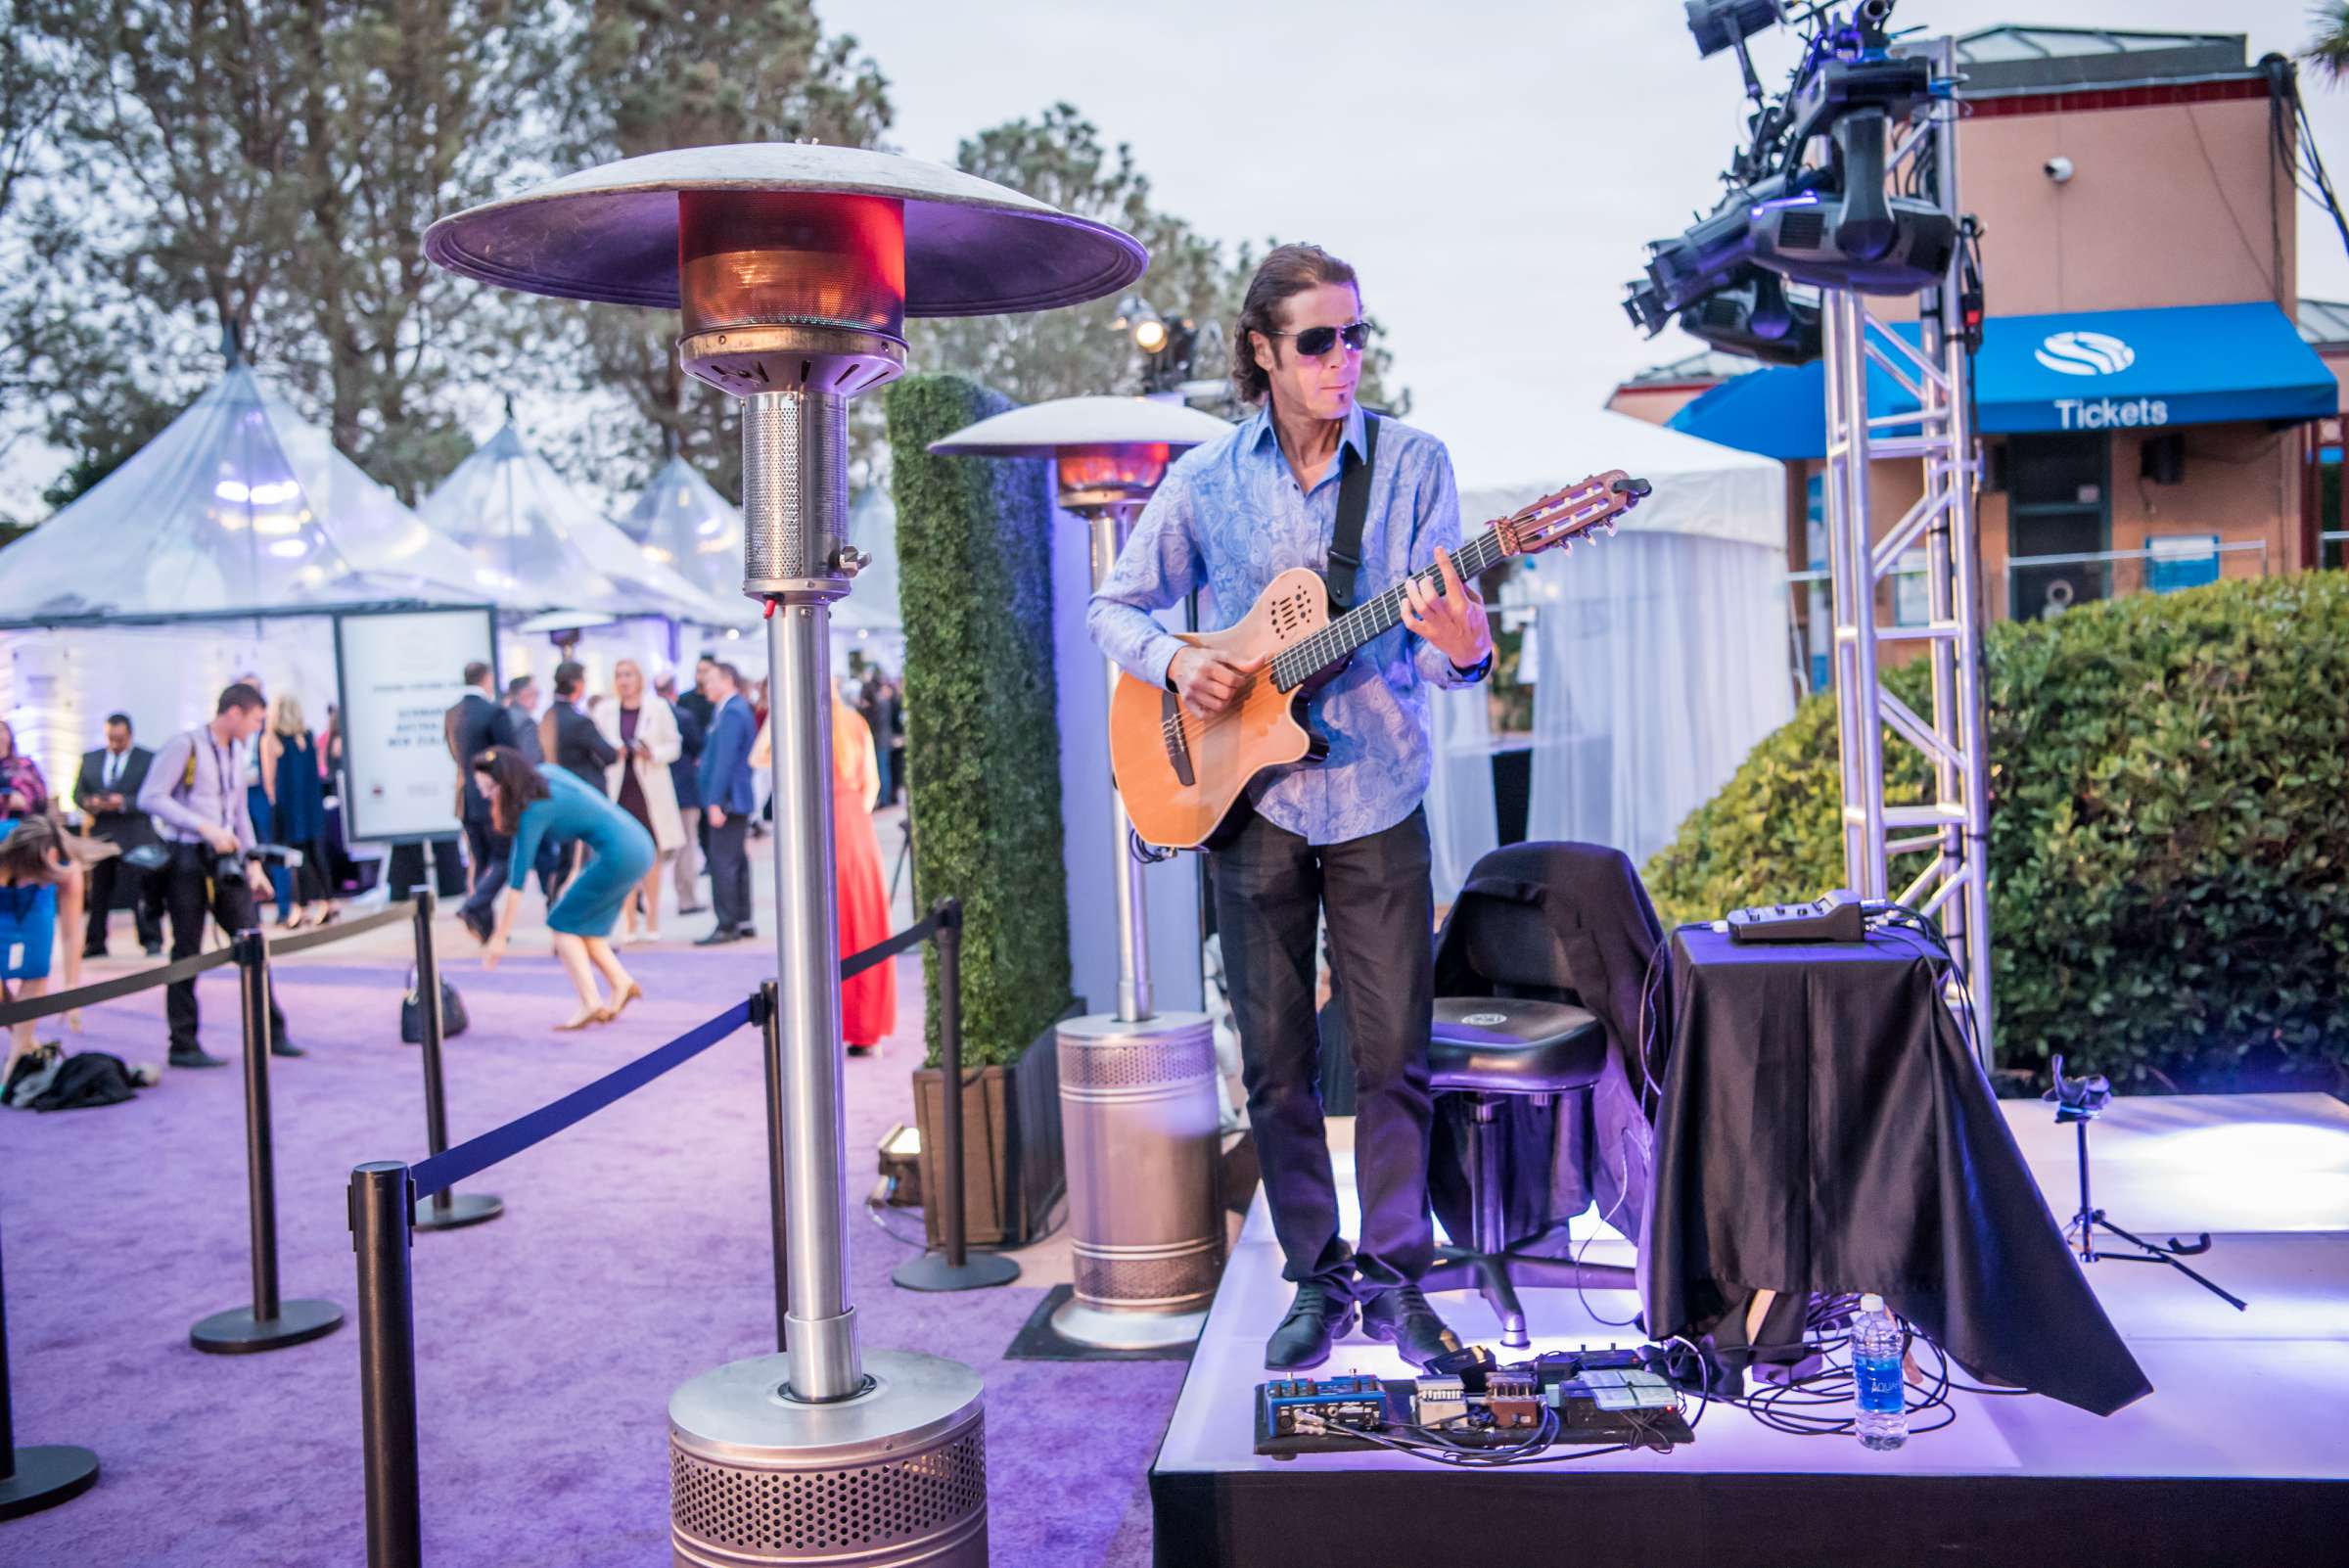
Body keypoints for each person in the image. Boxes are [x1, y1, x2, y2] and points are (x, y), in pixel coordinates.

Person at [1088, 244, 1494, 1373]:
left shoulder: (1415, 464)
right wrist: (1177, 664)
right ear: (1263, 352)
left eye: (1356, 335)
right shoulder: (1207, 478)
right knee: (1271, 1062)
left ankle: (1404, 1279)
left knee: (1395, 1057)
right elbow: (1114, 609)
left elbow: (1456, 649)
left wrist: (1463, 646)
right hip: (1250, 804)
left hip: (1378, 792)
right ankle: (1315, 1277)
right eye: (1318, 340)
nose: (1344, 359)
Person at [139, 684, 303, 1069]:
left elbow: (239, 810)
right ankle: (182, 1043)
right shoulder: (186, 745)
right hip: (187, 859)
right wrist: (203, 827)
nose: (257, 728)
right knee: (187, 950)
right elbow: (151, 796)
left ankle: (273, 1032)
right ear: (234, 713)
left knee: (253, 944)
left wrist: (253, 862)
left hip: (227, 860)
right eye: (256, 720)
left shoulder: (235, 750)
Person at [471, 746, 652, 1032]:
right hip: (637, 844)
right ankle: (621, 982)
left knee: (562, 924)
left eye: (489, 788)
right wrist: (577, 874)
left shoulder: (533, 810)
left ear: (506, 783)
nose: (486, 796)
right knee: (582, 924)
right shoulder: (547, 774)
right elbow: (589, 811)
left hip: (618, 854)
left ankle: (590, 1001)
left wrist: (499, 937)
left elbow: (517, 881)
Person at [593, 659, 686, 943]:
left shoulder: (657, 708)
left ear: (640, 678)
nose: (624, 680)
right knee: (624, 857)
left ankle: (653, 918)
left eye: (629, 675)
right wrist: (613, 753)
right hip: (618, 790)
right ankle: (629, 920)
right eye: (619, 675)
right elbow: (595, 747)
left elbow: (674, 745)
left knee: (652, 855)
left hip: (650, 789)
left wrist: (652, 753)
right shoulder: (604, 710)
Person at [829, 686, 895, 1054]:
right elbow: (872, 786)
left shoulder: (803, 722)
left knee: (830, 923)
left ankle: (831, 1024)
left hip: (824, 820)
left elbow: (760, 757)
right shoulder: (854, 722)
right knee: (863, 920)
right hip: (855, 823)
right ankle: (865, 1025)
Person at [74, 713, 164, 957]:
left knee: (142, 891)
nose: (115, 744)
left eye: (120, 739)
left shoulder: (147, 759)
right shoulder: (91, 759)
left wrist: (123, 802)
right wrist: (90, 802)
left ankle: (151, 939)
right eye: (111, 738)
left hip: (135, 834)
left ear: (130, 736)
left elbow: (153, 796)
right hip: (101, 835)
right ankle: (95, 942)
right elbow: (77, 794)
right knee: (99, 893)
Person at [0, 814, 69, 1082]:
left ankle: (15, 1066)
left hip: (34, 903)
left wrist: (72, 986)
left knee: (35, 969)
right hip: (11, 878)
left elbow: (72, 932)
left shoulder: (61, 854)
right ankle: (26, 1047)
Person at [261, 694, 337, 929]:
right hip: (310, 803)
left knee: (295, 857)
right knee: (316, 854)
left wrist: (273, 801)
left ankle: (300, 907)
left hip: (288, 805)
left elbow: (269, 778)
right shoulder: (307, 736)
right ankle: (328, 901)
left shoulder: (272, 739)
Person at [695, 661, 757, 945]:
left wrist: (715, 801)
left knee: (722, 862)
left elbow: (725, 761)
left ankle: (727, 923)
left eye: (710, 680)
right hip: (735, 798)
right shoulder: (733, 709)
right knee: (736, 860)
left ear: (727, 680)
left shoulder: (732, 712)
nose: (705, 686)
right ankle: (743, 919)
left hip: (729, 799)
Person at [446, 662, 504, 897]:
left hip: (464, 799)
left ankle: (482, 921)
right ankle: (476, 908)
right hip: (491, 798)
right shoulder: (493, 712)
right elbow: (505, 755)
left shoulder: (452, 713)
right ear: (487, 678)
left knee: (479, 860)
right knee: (502, 860)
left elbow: (453, 753)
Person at [660, 672, 707, 915]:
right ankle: (686, 899)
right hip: (683, 789)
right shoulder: (683, 716)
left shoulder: (647, 719)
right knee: (686, 844)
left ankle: (641, 903)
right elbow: (697, 746)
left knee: (660, 847)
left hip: (659, 790)